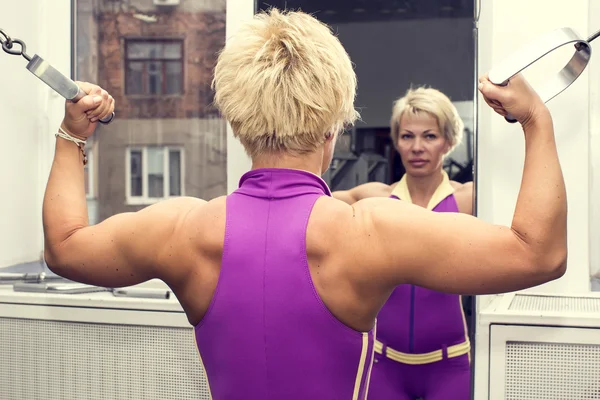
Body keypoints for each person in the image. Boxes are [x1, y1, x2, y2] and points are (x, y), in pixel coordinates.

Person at [42, 8, 567, 400]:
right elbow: (539, 254)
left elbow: (65, 248)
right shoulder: (370, 230)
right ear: (334, 128)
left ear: (237, 120)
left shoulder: (183, 228)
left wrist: (72, 133)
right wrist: (535, 119)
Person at [334, 87, 473, 399]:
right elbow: (306, 203)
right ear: (396, 141)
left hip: (448, 367)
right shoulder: (374, 199)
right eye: (408, 136)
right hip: (384, 365)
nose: (417, 147)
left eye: (430, 136)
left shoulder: (469, 200)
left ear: (448, 142)